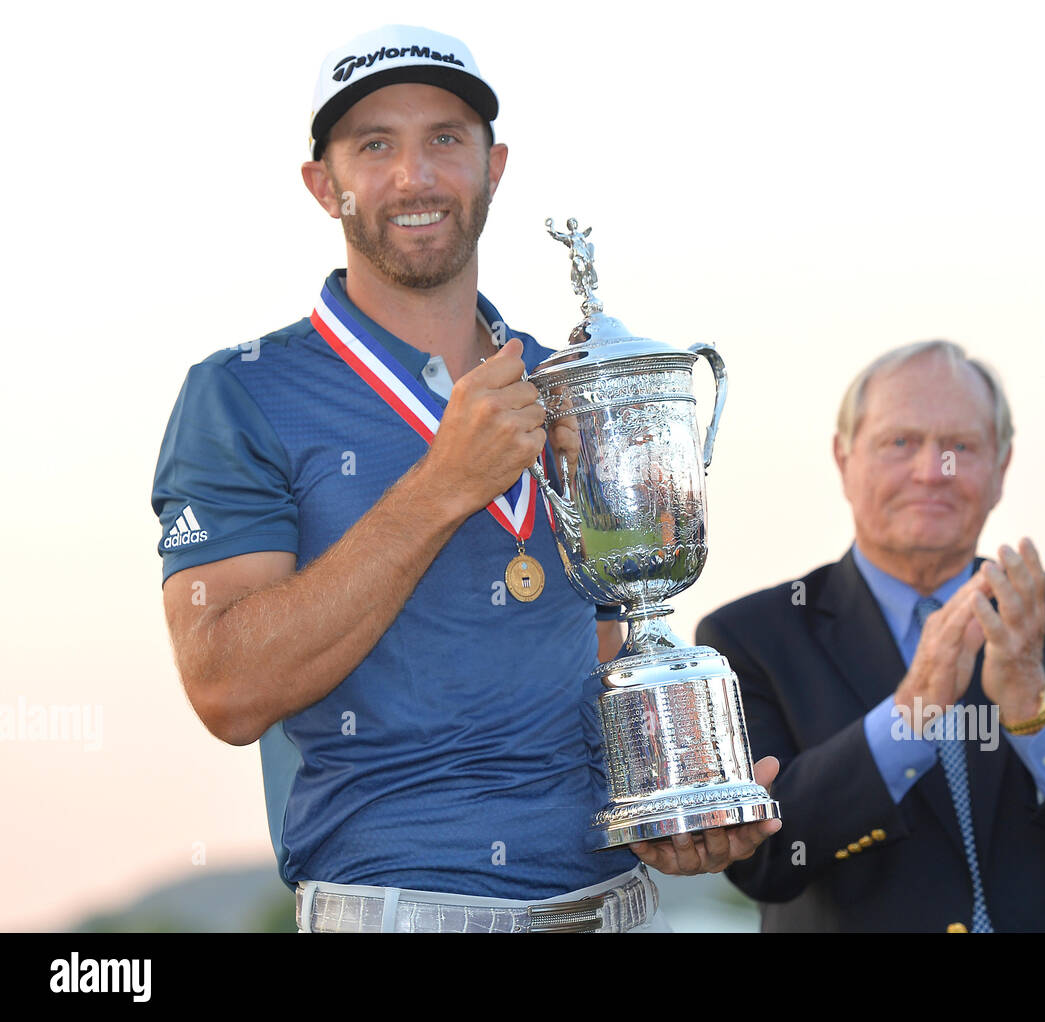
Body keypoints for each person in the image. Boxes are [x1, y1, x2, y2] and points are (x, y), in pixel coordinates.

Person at [151, 24, 777, 933]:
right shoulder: (242, 392)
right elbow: (226, 689)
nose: (416, 176)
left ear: (495, 167)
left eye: (446, 139)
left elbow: (607, 649)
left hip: (613, 905)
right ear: (323, 185)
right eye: (375, 146)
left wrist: (671, 791)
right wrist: (443, 485)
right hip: (400, 906)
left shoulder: (567, 382)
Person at [696, 339, 1045, 931]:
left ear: (1001, 468)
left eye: (961, 446)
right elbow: (765, 861)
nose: (932, 471)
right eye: (900, 442)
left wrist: (1035, 707)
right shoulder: (751, 638)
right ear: (843, 459)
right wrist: (909, 713)